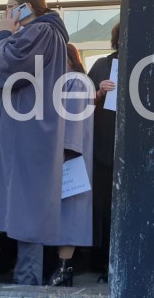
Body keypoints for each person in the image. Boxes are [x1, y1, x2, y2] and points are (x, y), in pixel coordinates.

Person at [0, 0, 68, 285]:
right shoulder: (47, 33)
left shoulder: (41, 31)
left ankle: (28, 281)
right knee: (25, 202)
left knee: (27, 203)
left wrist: (4, 34)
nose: (6, 14)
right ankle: (23, 275)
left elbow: (12, 65)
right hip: (29, 127)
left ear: (27, 7)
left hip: (28, 128)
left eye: (10, 7)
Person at [48, 43, 95, 287]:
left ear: (68, 58)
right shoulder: (62, 80)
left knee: (70, 212)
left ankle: (64, 268)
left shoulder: (76, 81)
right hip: (61, 154)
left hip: (70, 156)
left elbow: (74, 121)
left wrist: (66, 152)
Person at [86, 22, 119, 283]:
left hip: (134, 150)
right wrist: (99, 92)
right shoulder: (101, 65)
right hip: (104, 147)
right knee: (104, 207)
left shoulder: (147, 66)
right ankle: (104, 261)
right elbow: (81, 102)